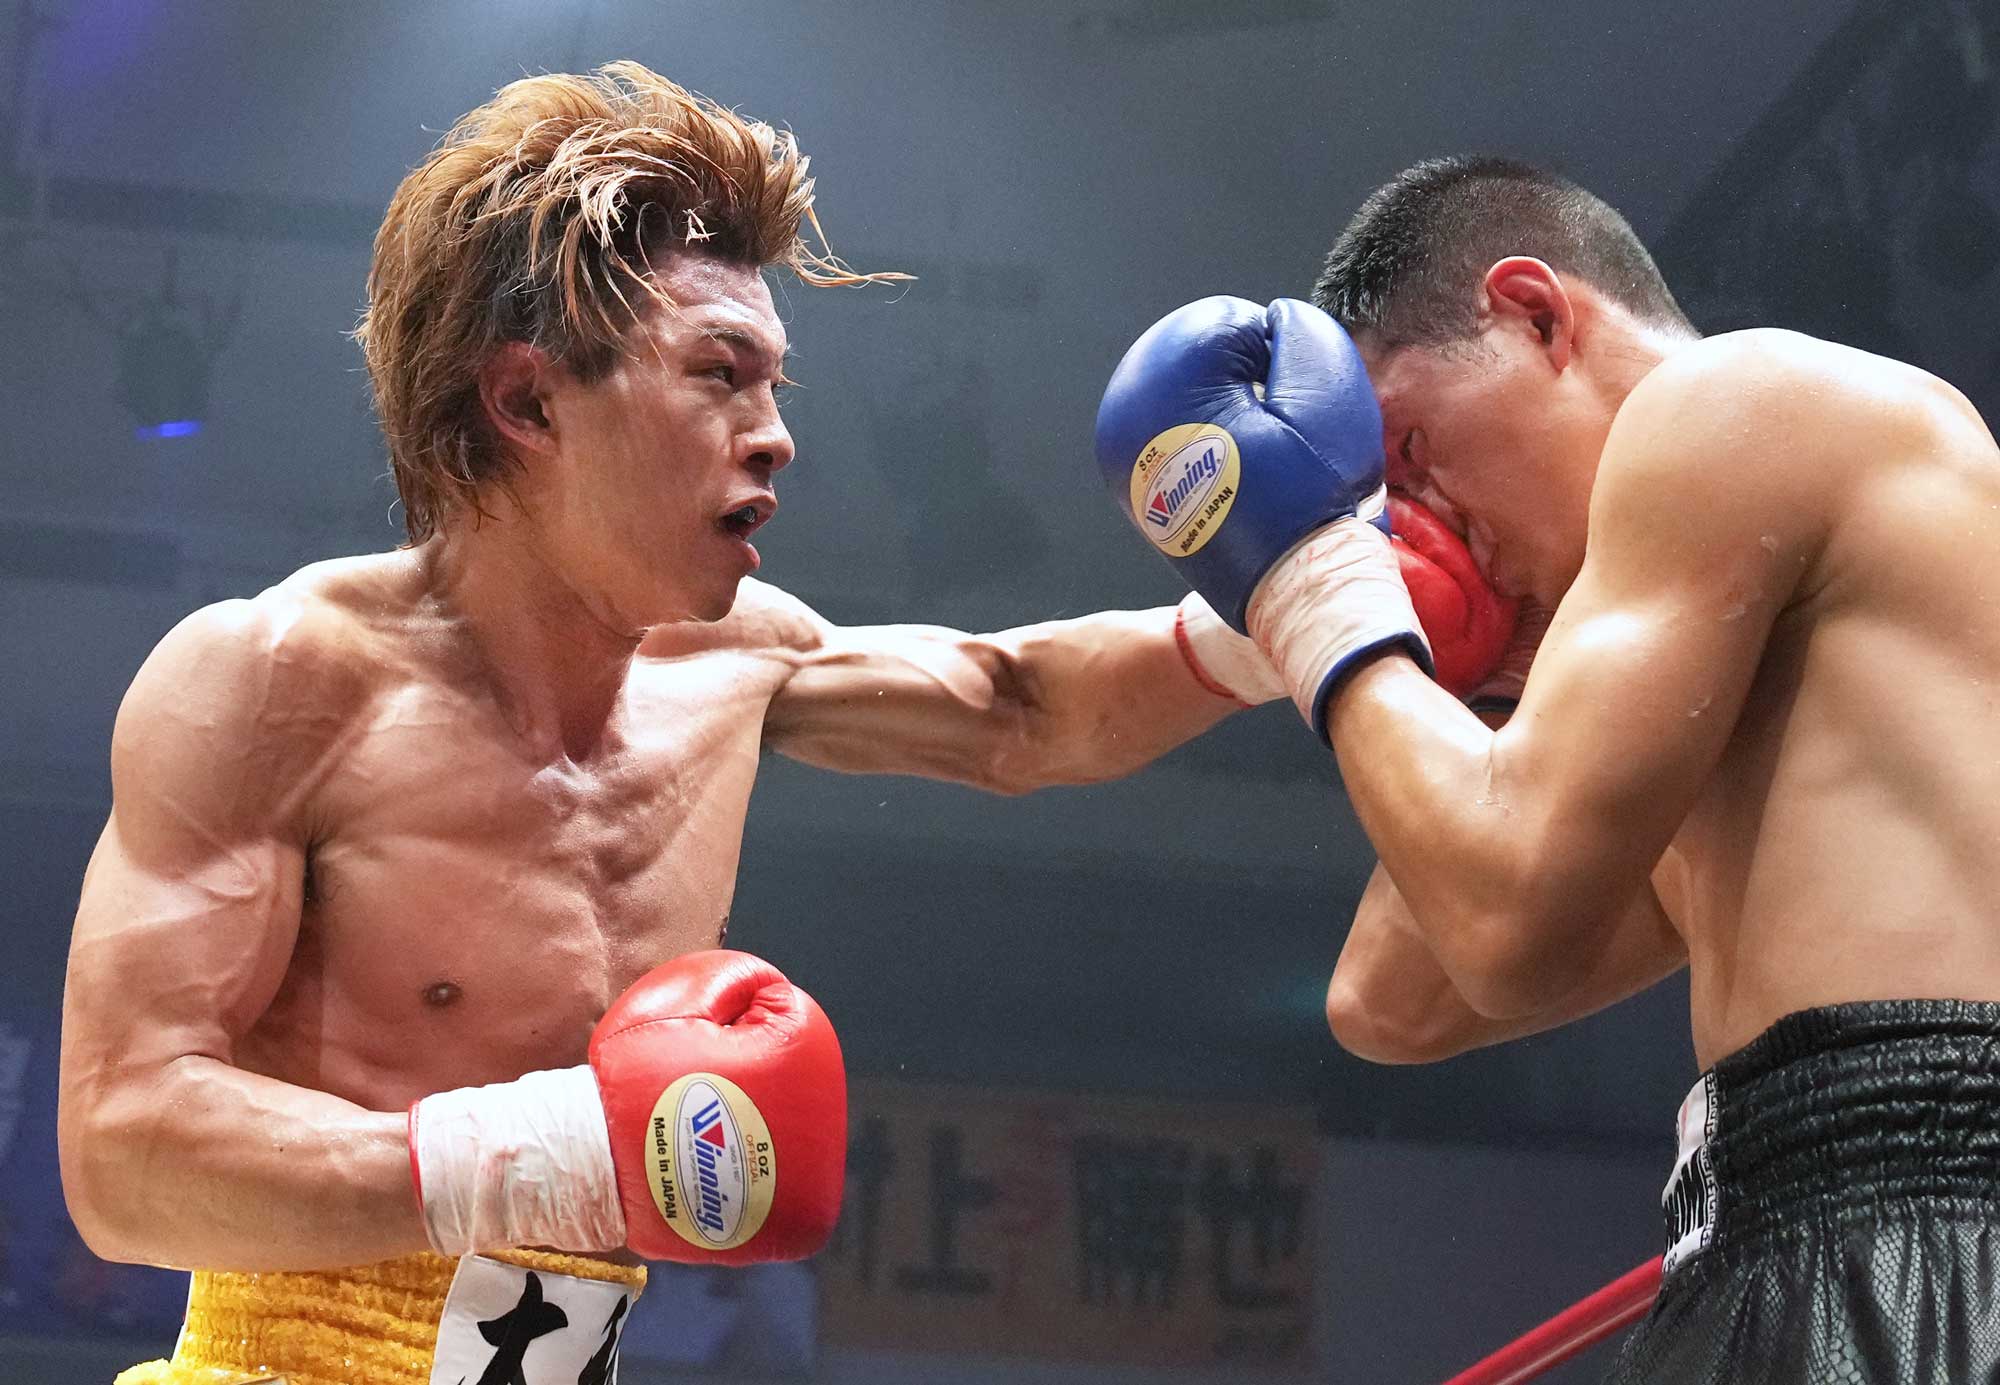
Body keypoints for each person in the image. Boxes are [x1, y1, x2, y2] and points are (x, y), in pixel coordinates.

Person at [59, 64, 1524, 1385]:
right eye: (718, 373)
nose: (777, 433)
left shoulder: (733, 656)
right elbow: (120, 1149)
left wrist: (1293, 604)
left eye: (772, 381)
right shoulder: (275, 678)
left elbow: (1013, 704)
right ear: (527, 401)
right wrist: (552, 1154)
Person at [1093, 155, 2000, 1379]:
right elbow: (1390, 998)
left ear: (1533, 315)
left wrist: (1313, 585)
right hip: (1790, 1219)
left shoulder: (1737, 397)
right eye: (1386, 511)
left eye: (1414, 453)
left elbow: (1502, 920)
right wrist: (1477, 665)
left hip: (1922, 1191)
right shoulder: (1734, 713)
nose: (1420, 527)